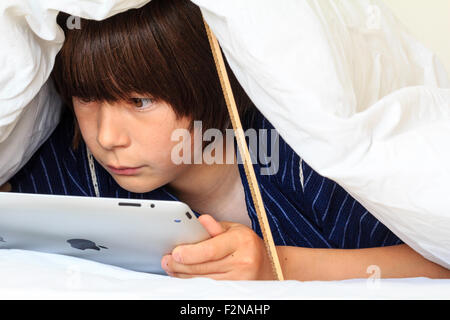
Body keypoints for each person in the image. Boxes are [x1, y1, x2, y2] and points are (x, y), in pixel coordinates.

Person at [6, 0, 449, 280]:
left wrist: (276, 266)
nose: (107, 136)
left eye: (140, 101)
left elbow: (437, 259)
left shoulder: (302, 161)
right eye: (86, 98)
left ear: (211, 84)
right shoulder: (70, 163)